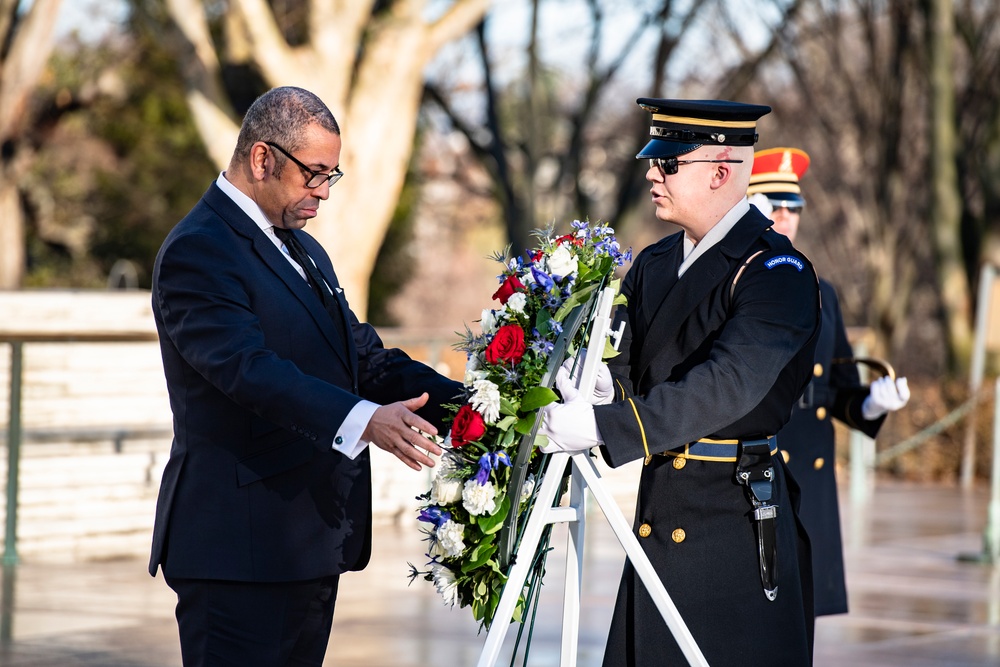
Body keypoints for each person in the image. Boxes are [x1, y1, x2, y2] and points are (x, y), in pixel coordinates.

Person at [148, 86, 461, 666]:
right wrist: (363, 421)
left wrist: (475, 408)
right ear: (262, 158)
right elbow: (248, 370)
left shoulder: (307, 252)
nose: (322, 191)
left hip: (304, 544)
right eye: (313, 173)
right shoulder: (200, 249)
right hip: (236, 551)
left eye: (331, 176)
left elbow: (363, 359)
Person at [538, 99, 820, 666]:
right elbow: (635, 363)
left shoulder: (776, 271)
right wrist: (601, 386)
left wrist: (602, 425)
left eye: (668, 163)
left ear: (720, 172)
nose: (651, 173)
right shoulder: (658, 260)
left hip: (730, 518)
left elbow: (726, 384)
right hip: (661, 504)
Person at [747, 146, 910, 617]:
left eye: (793, 208)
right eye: (774, 206)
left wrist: (872, 403)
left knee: (802, 621)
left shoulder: (823, 292)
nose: (787, 218)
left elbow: (839, 391)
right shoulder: (735, 281)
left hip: (811, 484)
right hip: (761, 469)